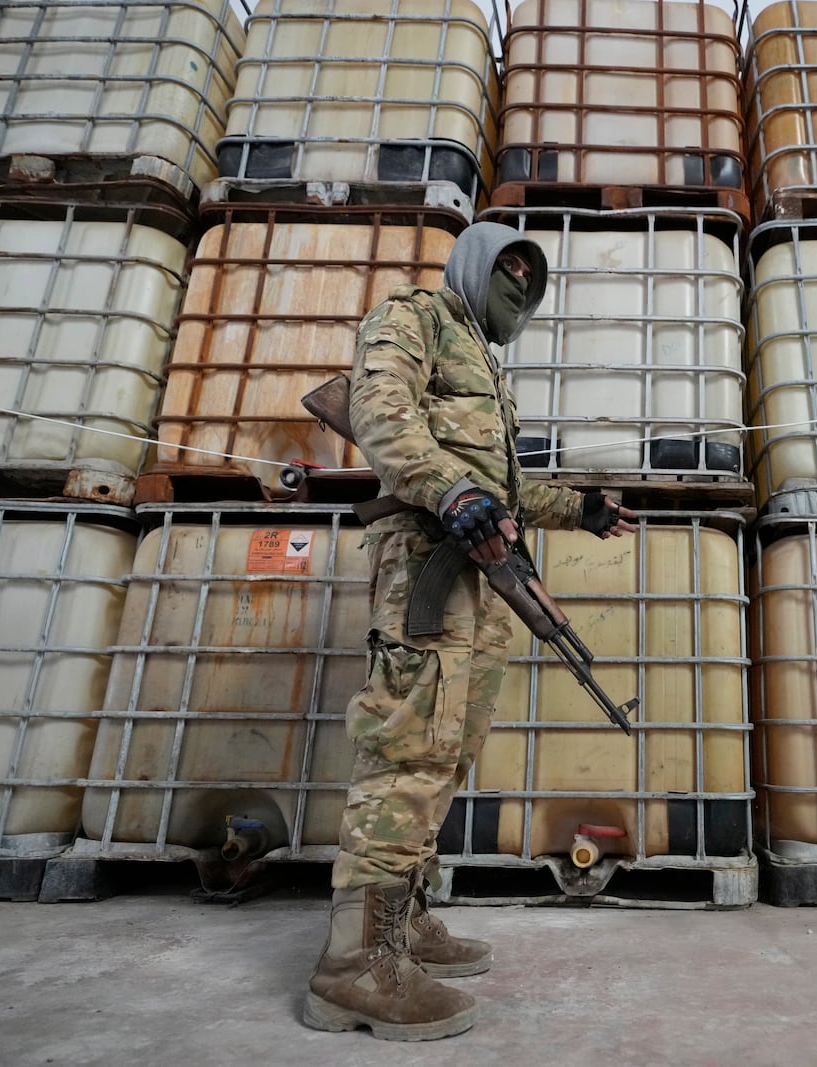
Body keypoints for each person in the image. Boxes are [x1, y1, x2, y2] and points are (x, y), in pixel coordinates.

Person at [304, 222, 638, 1041]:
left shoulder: (488, 364)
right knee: (409, 748)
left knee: (449, 750)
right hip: (427, 567)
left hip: (481, 581)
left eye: (532, 274)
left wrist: (581, 509)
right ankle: (353, 967)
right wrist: (452, 491)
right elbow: (381, 415)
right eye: (509, 265)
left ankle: (405, 924)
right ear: (475, 262)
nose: (518, 282)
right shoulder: (413, 317)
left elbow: (504, 491)